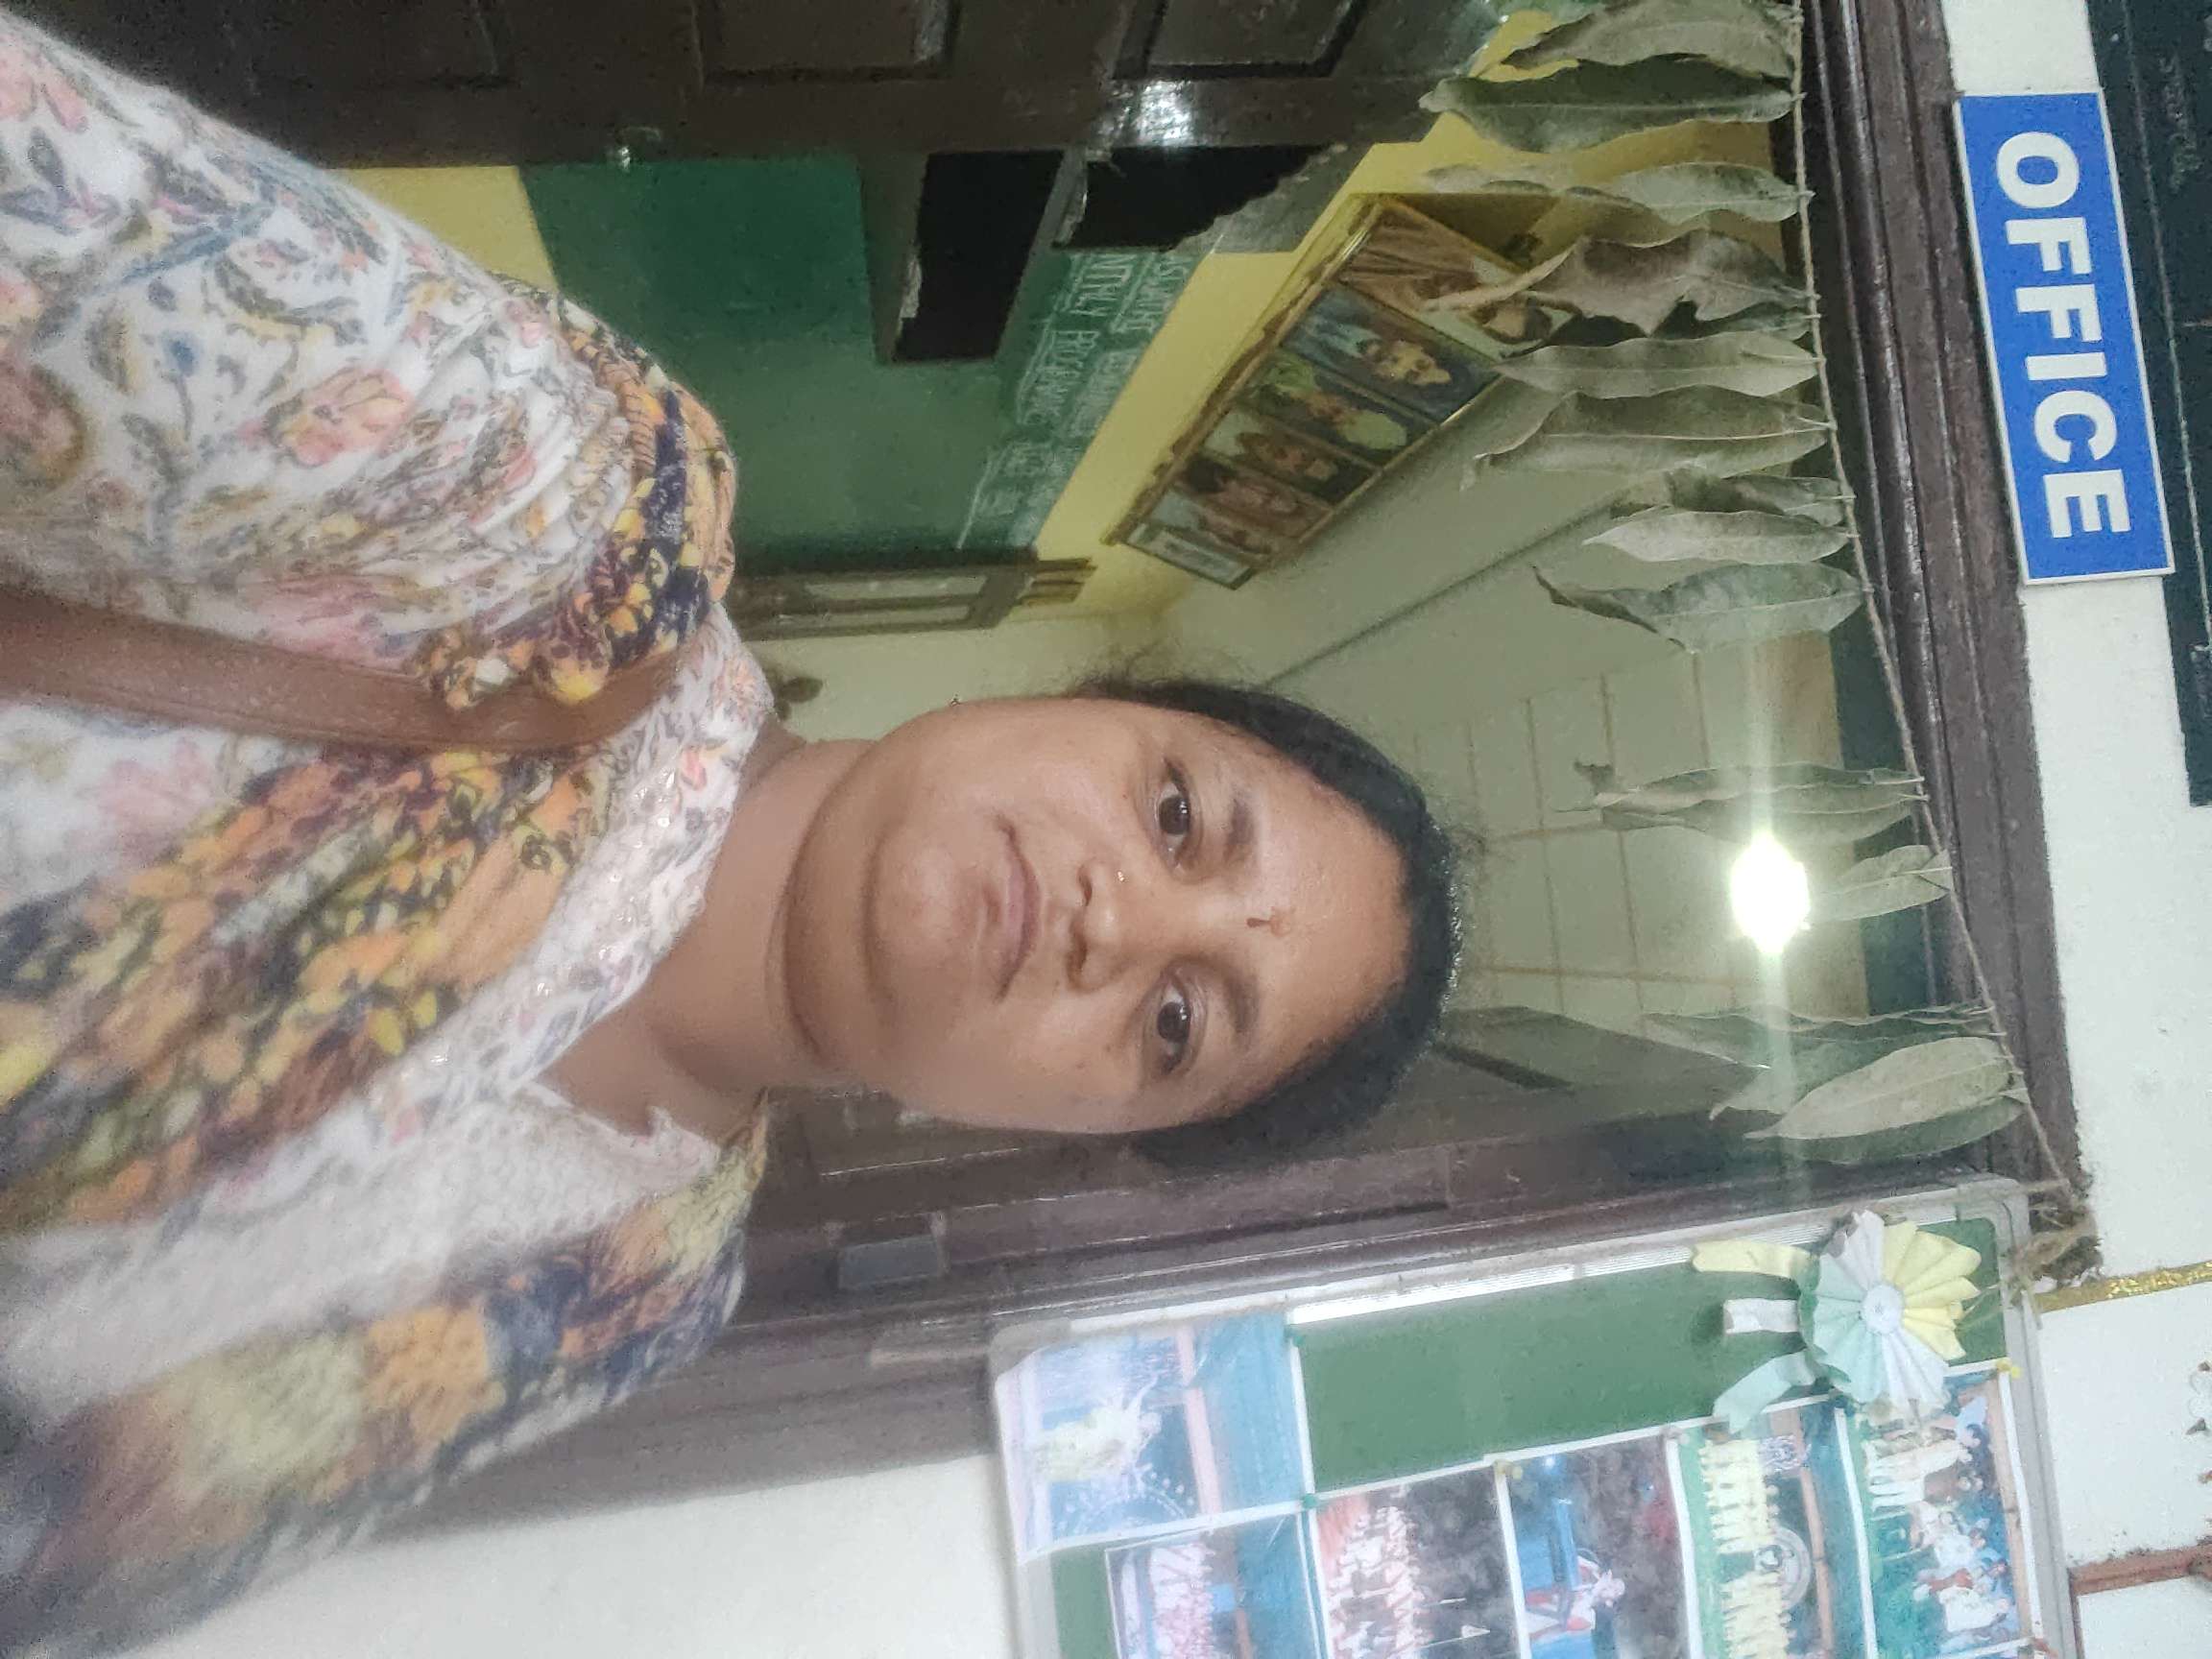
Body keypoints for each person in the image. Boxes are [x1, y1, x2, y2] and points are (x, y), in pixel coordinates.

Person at [0, 16, 1459, 1653]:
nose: (1116, 922)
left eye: (1177, 1024)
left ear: (1071, 1129)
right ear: (1078, 698)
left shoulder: (633, 1289)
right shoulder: (575, 529)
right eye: (1178, 814)